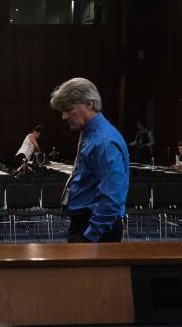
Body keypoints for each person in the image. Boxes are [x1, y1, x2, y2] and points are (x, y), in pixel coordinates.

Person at [50, 77, 129, 243]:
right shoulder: (90, 133)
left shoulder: (104, 140)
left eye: (69, 109)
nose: (64, 116)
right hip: (86, 223)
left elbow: (112, 197)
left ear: (89, 104)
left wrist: (90, 236)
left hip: (95, 229)